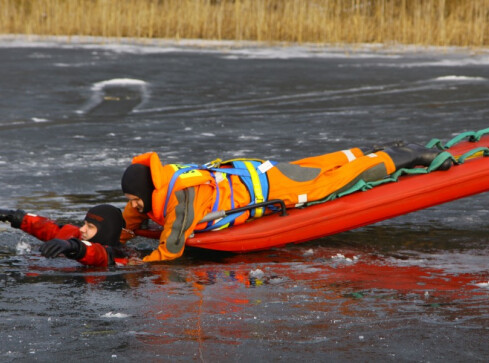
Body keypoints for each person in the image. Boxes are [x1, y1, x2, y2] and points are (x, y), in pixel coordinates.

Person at [119, 142, 453, 262]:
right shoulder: (160, 180)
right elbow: (132, 217)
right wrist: (117, 233)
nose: (135, 207)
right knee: (320, 165)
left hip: (271, 187)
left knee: (331, 184)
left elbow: (172, 246)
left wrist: (142, 263)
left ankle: (405, 155)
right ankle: (372, 149)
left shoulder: (180, 197)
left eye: (136, 200)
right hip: (252, 172)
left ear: (148, 191)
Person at [0, 204, 129, 267]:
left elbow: (97, 254)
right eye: (84, 224)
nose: (82, 229)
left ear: (106, 232)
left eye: (90, 227)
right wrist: (15, 217)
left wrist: (74, 247)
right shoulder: (76, 235)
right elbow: (50, 229)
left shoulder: (117, 257)